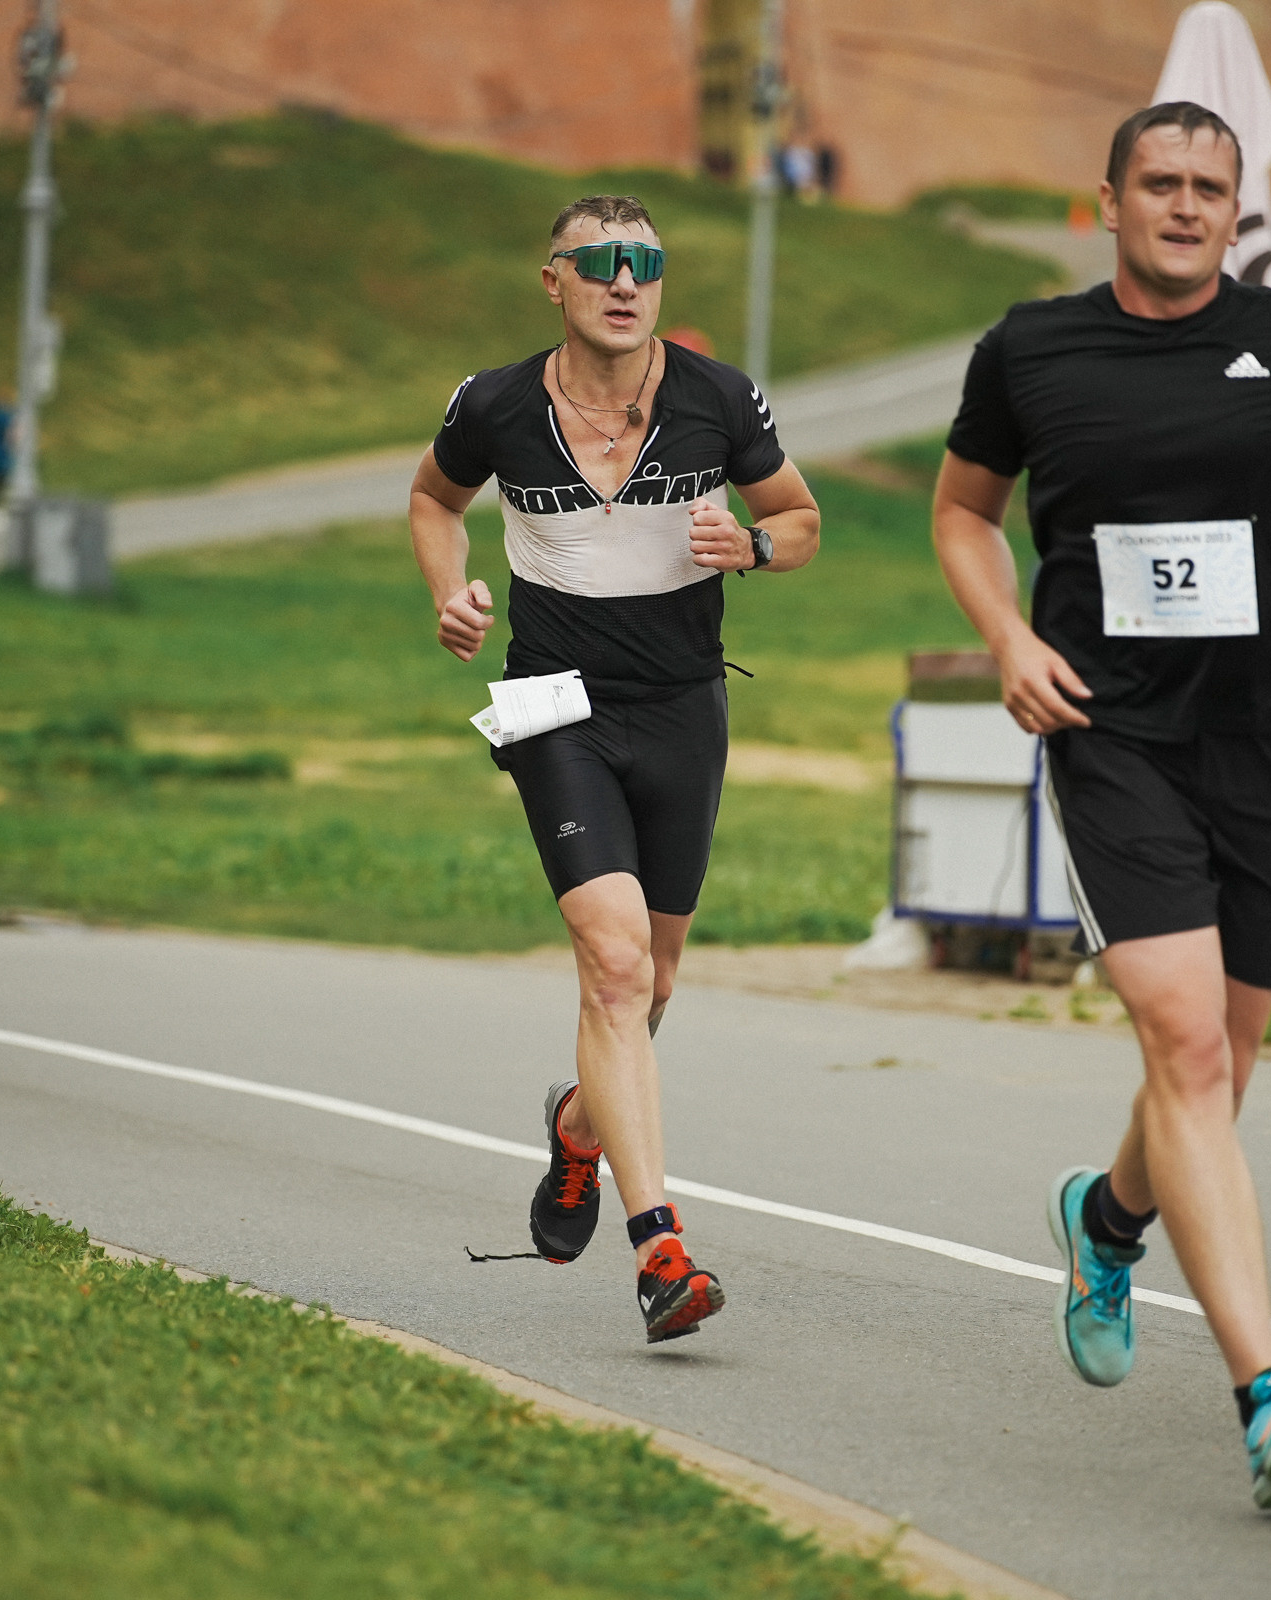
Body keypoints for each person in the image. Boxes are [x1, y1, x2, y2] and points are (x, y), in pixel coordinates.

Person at [928, 102, 1271, 1509]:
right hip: (1112, 738)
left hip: (1268, 741)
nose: (1182, 204)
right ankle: (1266, 1390)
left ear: (1237, 207)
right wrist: (1007, 641)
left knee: (1218, 1060)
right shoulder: (1031, 349)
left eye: (1208, 187)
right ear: (1105, 199)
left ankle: (1106, 1224)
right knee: (1188, 1052)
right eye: (1157, 182)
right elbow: (962, 513)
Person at [409, 196, 820, 1343]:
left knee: (653, 985)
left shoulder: (718, 399)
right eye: (600, 263)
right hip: (553, 705)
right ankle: (663, 1250)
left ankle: (581, 1125)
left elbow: (801, 516)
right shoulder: (493, 405)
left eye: (644, 262)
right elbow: (433, 499)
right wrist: (449, 590)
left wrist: (758, 544)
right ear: (556, 280)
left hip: (685, 704)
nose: (624, 280)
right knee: (615, 961)